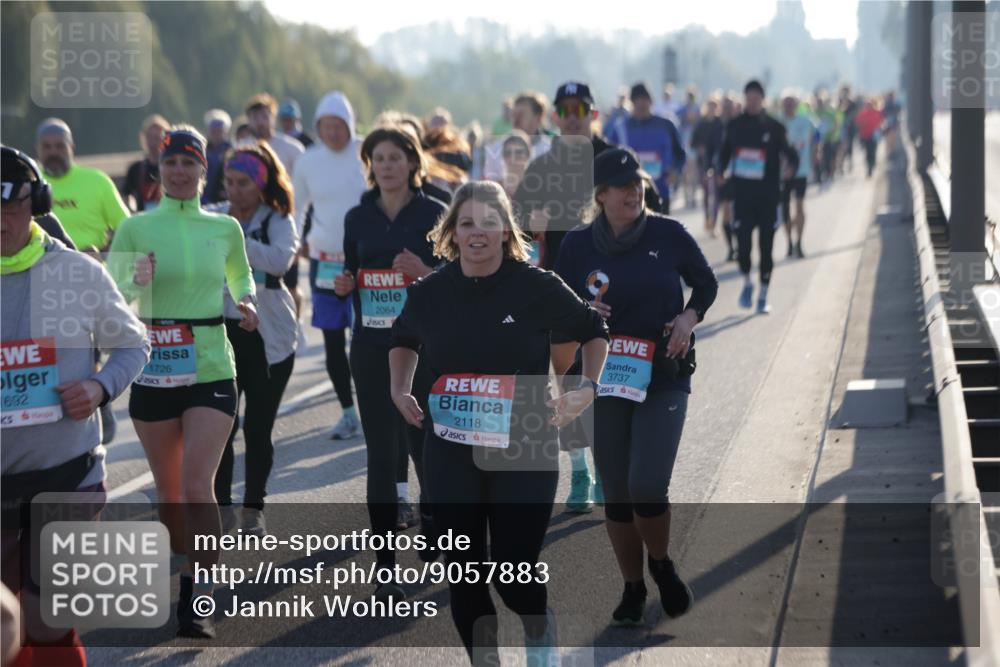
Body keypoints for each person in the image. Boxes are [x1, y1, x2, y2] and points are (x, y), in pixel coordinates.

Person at [389, 180, 609, 665]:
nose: (478, 233)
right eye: (467, 223)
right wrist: (399, 387)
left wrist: (585, 389)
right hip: (450, 448)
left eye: (490, 223)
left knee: (513, 571)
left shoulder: (536, 286)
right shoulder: (429, 292)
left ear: (507, 232)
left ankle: (537, 628)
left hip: (524, 441)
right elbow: (403, 338)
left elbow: (594, 330)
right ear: (452, 232)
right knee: (464, 576)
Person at [553, 147, 717, 626]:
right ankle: (631, 586)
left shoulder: (668, 234)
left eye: (638, 183)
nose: (633, 192)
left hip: (663, 374)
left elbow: (705, 285)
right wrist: (583, 313)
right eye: (622, 187)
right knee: (618, 495)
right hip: (605, 381)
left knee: (647, 483)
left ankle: (661, 564)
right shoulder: (577, 246)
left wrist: (688, 317)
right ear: (600, 195)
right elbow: (557, 307)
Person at [108, 126, 259, 638]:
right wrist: (136, 281)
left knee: (198, 485)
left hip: (212, 366)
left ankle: (199, 595)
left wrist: (247, 302)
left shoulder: (224, 228)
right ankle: (187, 558)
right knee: (170, 495)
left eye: (188, 163)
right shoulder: (136, 227)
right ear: (159, 170)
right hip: (154, 370)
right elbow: (114, 292)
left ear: (201, 171)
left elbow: (240, 275)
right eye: (170, 163)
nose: (178, 171)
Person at [2, 145, 149, 665]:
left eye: (10, 205)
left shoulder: (75, 272)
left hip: (68, 476)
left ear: (37, 202)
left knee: (46, 624)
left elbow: (133, 345)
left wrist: (100, 387)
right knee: (4, 628)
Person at [513, 80, 661, 512]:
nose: (573, 114)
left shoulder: (613, 159)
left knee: (607, 384)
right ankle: (580, 471)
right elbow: (515, 222)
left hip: (616, 289)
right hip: (562, 287)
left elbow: (651, 204)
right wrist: (529, 220)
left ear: (593, 113)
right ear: (556, 116)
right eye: (566, 108)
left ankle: (610, 467)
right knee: (568, 381)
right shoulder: (543, 167)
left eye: (581, 107)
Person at [333, 126, 446, 596]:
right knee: (381, 453)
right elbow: (346, 269)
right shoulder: (358, 217)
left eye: (395, 157)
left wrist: (425, 273)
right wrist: (344, 284)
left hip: (425, 343)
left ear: (413, 163)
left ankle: (436, 522)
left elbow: (460, 277)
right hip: (372, 343)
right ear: (369, 165)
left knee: (425, 446)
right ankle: (385, 568)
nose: (386, 165)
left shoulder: (435, 212)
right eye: (377, 158)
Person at [212, 142, 299, 537]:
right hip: (221, 333)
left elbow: (280, 260)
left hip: (268, 337)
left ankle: (254, 508)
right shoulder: (211, 214)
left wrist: (232, 240)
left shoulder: (277, 219)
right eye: (229, 181)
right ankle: (222, 509)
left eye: (243, 182)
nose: (234, 190)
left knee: (257, 428)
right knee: (220, 427)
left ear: (260, 184)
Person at [292, 91, 367, 440]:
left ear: (350, 126)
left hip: (366, 263)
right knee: (333, 342)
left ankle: (376, 407)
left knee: (368, 341)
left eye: (339, 126)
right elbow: (296, 209)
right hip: (324, 262)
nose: (334, 133)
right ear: (318, 128)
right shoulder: (308, 160)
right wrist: (294, 243)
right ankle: (348, 412)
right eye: (326, 127)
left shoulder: (366, 153)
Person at [718, 80, 799, 314]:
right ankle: (747, 282)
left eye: (756, 98)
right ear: (745, 99)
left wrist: (790, 167)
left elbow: (790, 153)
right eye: (749, 98)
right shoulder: (734, 126)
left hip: (767, 197)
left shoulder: (774, 127)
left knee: (766, 246)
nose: (752, 102)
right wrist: (720, 171)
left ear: (762, 100)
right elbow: (723, 155)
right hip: (741, 197)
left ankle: (763, 294)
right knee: (743, 247)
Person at [34, 118, 129, 256]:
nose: (53, 152)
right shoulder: (29, 183)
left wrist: (104, 252)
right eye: (46, 147)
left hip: (92, 270)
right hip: (40, 269)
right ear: (37, 149)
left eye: (60, 146)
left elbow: (126, 229)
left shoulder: (98, 181)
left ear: (72, 147)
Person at [606, 82, 685, 215]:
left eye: (645, 101)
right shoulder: (620, 129)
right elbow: (610, 158)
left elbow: (680, 153)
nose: (641, 105)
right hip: (630, 194)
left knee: (661, 232)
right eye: (637, 102)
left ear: (651, 102)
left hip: (660, 189)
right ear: (631, 103)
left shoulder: (666, 125)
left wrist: (675, 172)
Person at [483, 91, 553, 181]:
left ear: (538, 117)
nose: (515, 120)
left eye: (521, 115)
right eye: (514, 115)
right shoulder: (496, 149)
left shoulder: (551, 151)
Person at [779, 92, 816, 259]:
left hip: (801, 170)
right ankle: (789, 243)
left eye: (791, 103)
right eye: (785, 103)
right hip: (782, 173)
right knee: (785, 209)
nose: (788, 106)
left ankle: (799, 243)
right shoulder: (777, 123)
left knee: (800, 205)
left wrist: (814, 159)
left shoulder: (805, 121)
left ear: (796, 105)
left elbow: (816, 139)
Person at [245, 93, 305, 176]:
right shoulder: (241, 149)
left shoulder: (293, 148)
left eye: (264, 116)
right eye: (255, 117)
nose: (260, 122)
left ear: (274, 118)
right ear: (248, 120)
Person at [691, 97, 725, 236]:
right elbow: (693, 141)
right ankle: (706, 218)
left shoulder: (720, 123)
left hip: (716, 162)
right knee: (706, 192)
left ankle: (714, 222)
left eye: (713, 106)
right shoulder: (701, 123)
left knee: (715, 193)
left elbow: (724, 142)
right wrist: (699, 148)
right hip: (703, 162)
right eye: (709, 106)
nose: (711, 109)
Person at [122, 114, 169, 212]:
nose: (153, 142)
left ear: (165, 140)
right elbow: (125, 195)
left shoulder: (172, 168)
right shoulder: (135, 169)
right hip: (143, 220)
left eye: (157, 138)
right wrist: (131, 212)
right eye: (149, 137)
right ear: (143, 139)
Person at [203, 109, 232, 205]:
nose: (216, 134)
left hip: (222, 198)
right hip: (204, 195)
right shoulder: (202, 149)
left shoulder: (231, 150)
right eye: (213, 131)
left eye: (219, 131)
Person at [854, 97, 884, 178]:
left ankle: (872, 165)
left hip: (874, 136)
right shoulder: (862, 113)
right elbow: (857, 122)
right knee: (867, 153)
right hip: (865, 136)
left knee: (873, 152)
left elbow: (881, 123)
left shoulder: (877, 113)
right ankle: (869, 168)